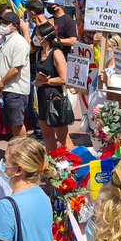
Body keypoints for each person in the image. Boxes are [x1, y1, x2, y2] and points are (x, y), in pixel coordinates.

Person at [0, 10, 30, 138]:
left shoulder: (19, 42)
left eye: (6, 23)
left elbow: (15, 68)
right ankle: (17, 148)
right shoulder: (1, 41)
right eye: (1, 22)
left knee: (17, 123)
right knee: (11, 122)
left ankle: (22, 149)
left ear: (15, 26)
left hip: (15, 89)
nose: (3, 25)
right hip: (4, 89)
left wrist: (1, 83)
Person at [33, 21, 72, 152]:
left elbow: (64, 78)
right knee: (47, 135)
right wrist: (38, 79)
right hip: (42, 97)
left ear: (44, 37)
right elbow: (37, 76)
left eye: (37, 35)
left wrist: (47, 82)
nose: (35, 37)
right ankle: (52, 163)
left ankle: (76, 165)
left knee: (63, 137)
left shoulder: (56, 53)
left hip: (55, 97)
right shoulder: (39, 53)